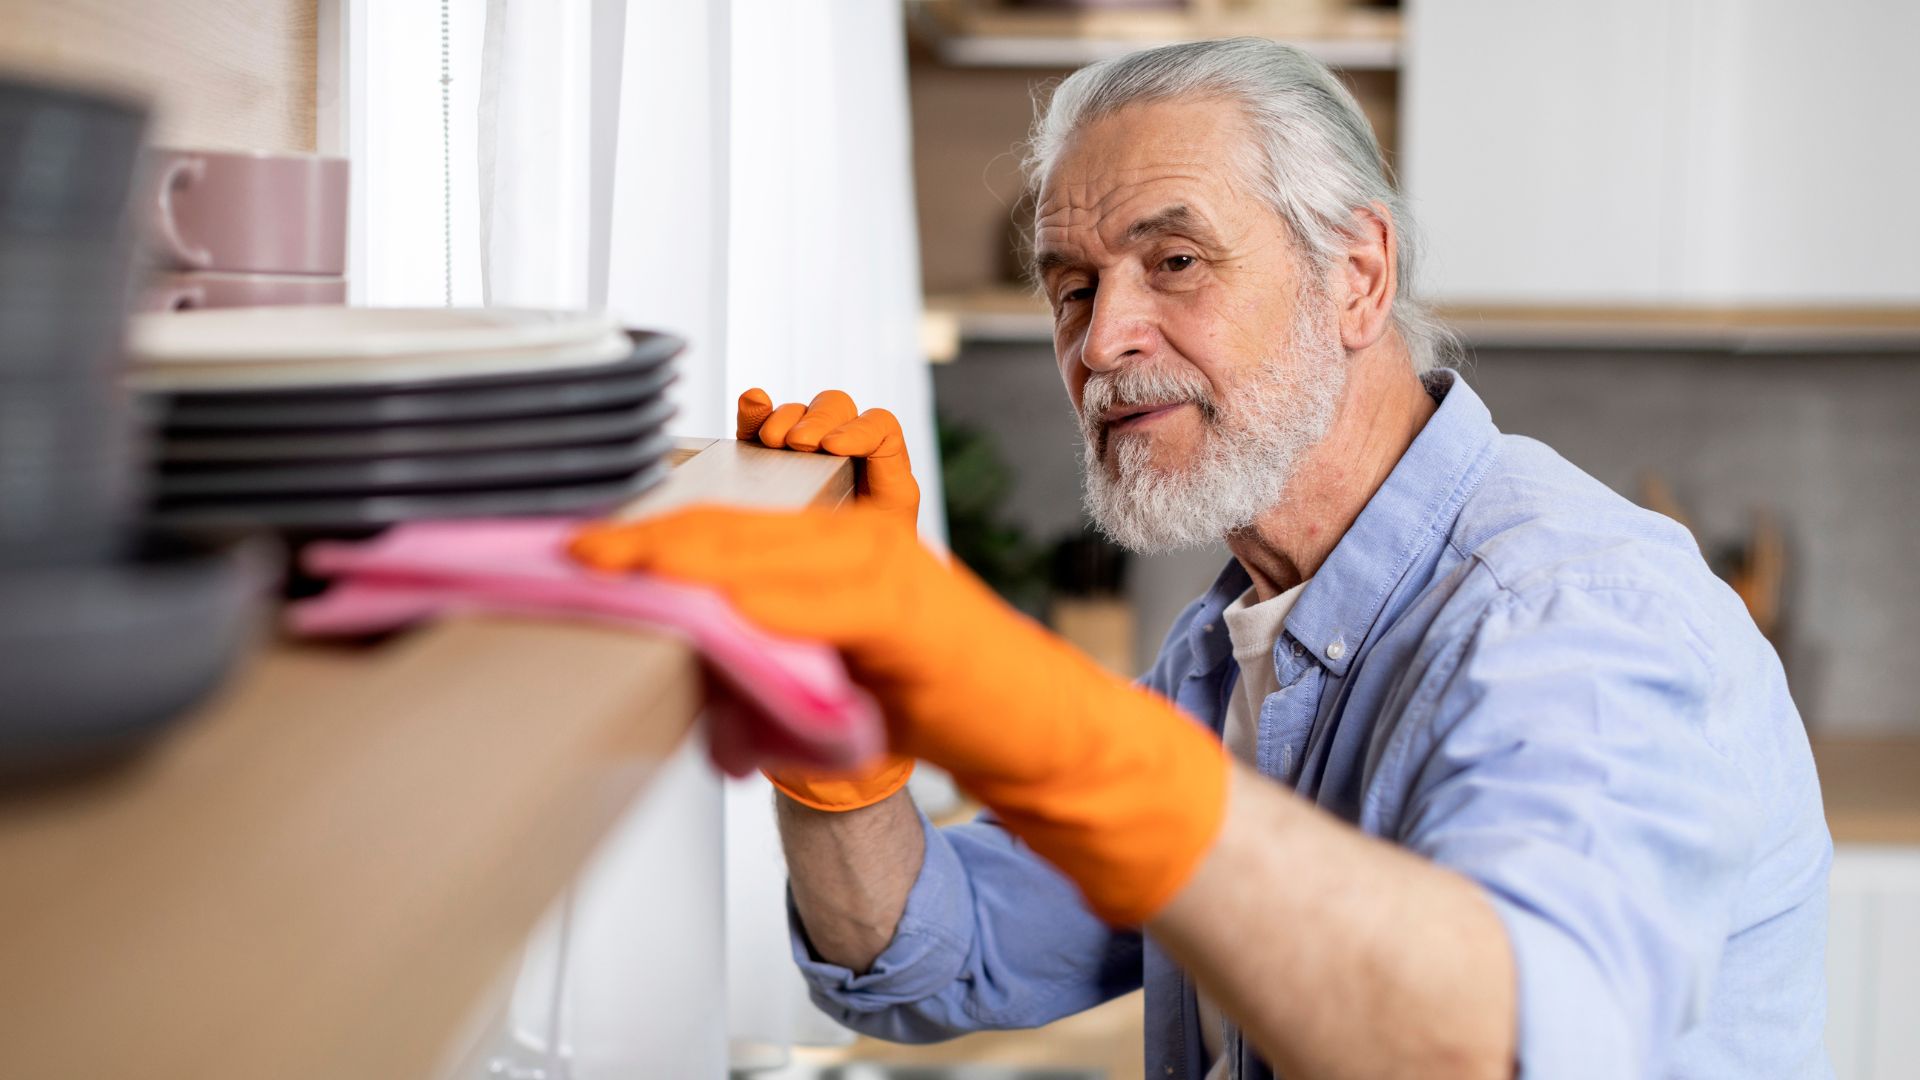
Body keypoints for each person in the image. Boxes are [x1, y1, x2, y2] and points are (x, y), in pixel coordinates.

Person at [572, 38, 1831, 1080]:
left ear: (1356, 275)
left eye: (1175, 263)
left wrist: (1041, 717)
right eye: (1072, 288)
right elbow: (924, 958)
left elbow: (1494, 1041)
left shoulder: (1575, 613)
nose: (1104, 338)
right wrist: (830, 719)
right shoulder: (1244, 642)